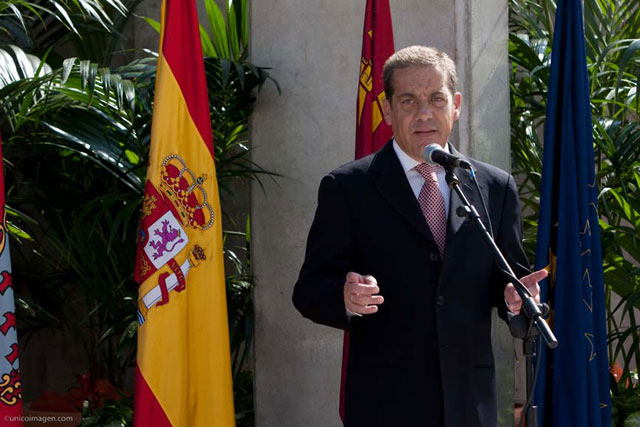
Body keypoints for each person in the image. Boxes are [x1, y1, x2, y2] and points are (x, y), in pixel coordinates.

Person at [292, 45, 547, 427]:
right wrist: (343, 297)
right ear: (387, 110)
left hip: (469, 404)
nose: (424, 113)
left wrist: (516, 300)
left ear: (455, 105)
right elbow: (309, 290)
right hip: (386, 404)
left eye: (436, 99)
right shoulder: (347, 188)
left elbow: (508, 280)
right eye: (408, 100)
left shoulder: (494, 187)